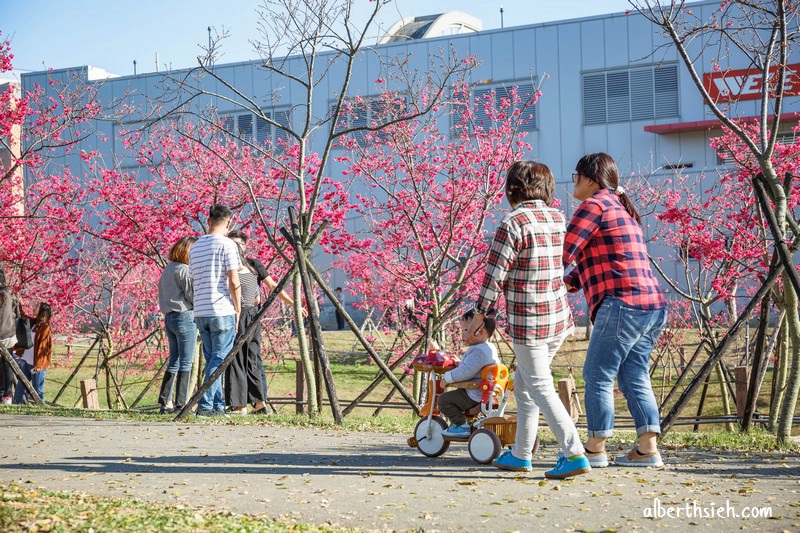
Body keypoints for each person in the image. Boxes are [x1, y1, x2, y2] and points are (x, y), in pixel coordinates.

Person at [468, 160, 590, 480]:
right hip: (558, 319)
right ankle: (521, 454)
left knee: (538, 386)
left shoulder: (513, 222)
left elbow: (494, 276)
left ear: (513, 188)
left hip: (530, 321)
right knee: (523, 385)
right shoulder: (557, 218)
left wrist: (479, 315)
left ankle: (573, 452)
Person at [563, 152, 667, 468]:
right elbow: (605, 259)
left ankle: (594, 448)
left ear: (590, 179)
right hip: (652, 306)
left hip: (622, 303)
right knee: (634, 374)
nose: (573, 183)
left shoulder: (593, 205)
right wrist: (569, 283)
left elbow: (564, 251)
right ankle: (647, 449)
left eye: (575, 176)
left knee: (597, 373)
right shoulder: (621, 210)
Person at [228, 229, 298, 409]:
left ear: (245, 246)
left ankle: (259, 403)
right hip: (234, 312)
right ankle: (239, 405)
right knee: (235, 358)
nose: (236, 247)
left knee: (252, 357)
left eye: (239, 244)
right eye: (232, 244)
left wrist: (293, 303)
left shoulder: (253, 264)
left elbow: (273, 285)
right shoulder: (226, 264)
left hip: (251, 314)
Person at [188, 205, 242, 417]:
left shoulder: (195, 247)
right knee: (219, 360)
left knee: (213, 358)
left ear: (209, 221)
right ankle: (206, 405)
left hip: (201, 310)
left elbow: (193, 278)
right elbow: (234, 280)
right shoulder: (228, 245)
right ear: (228, 223)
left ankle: (217, 406)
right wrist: (237, 309)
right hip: (221, 309)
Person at [439, 310, 500, 438]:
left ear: (480, 331)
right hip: (483, 392)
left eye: (466, 330)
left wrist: (447, 378)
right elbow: (473, 367)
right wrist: (460, 363)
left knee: (444, 400)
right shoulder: (488, 348)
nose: (463, 335)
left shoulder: (478, 351)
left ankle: (462, 426)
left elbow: (466, 372)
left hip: (475, 395)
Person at [224, 241, 268, 415]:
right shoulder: (251, 269)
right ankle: (260, 403)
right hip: (253, 314)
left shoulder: (234, 270)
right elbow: (257, 295)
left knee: (235, 359)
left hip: (239, 313)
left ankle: (239, 405)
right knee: (252, 358)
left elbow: (233, 289)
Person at [157, 236, 198, 414]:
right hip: (184, 316)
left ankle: (165, 401)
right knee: (186, 361)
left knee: (174, 360)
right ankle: (182, 402)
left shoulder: (168, 269)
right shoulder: (184, 270)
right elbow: (192, 295)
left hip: (169, 317)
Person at [0, 266, 19, 404]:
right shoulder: (10, 293)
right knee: (7, 365)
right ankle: (7, 396)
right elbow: (17, 314)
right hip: (9, 335)